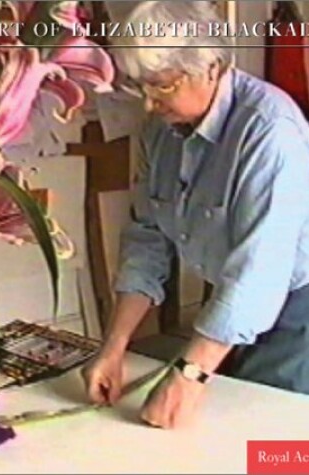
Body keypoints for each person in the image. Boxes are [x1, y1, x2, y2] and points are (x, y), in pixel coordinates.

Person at [82, 1, 309, 429]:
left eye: (161, 86)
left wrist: (190, 374)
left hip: (299, 303)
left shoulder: (271, 132)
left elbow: (258, 273)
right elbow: (147, 239)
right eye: (139, 86)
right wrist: (114, 346)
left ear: (210, 66)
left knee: (276, 441)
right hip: (237, 302)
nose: (148, 105)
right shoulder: (160, 129)